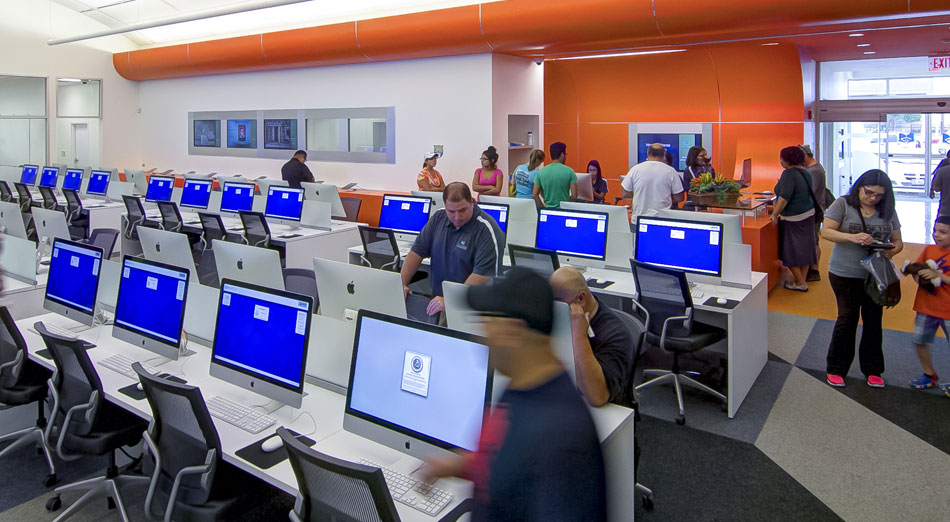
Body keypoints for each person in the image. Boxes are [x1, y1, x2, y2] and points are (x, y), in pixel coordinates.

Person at [423, 268, 607, 521]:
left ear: (514, 331)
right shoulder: (519, 387)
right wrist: (454, 466)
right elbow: (505, 458)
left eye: (489, 323)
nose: (483, 338)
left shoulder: (562, 439)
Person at [821, 169, 903, 388]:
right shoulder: (843, 204)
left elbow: (898, 240)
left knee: (873, 320)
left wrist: (891, 251)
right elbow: (826, 231)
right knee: (847, 318)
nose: (873, 198)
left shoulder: (887, 210)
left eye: (878, 195)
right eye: (869, 193)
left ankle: (873, 369)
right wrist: (852, 237)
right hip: (844, 272)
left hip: (876, 274)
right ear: (859, 187)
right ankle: (836, 367)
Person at [400, 182, 505, 317]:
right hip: (440, 301)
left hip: (471, 308)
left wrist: (452, 300)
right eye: (451, 211)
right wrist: (401, 284)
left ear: (472, 202)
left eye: (462, 210)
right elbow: (416, 252)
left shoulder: (487, 230)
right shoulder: (439, 218)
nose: (457, 217)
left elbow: (482, 276)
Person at [549, 267, 633, 406]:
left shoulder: (617, 335)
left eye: (558, 301)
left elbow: (597, 396)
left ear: (581, 298)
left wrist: (579, 335)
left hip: (607, 411)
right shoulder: (561, 315)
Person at [906, 215, 950, 396]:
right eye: (935, 231)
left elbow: (939, 276)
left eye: (943, 232)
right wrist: (916, 275)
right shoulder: (929, 249)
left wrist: (938, 276)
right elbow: (918, 268)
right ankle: (929, 374)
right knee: (919, 340)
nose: (937, 235)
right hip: (926, 306)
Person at [771, 146, 818, 292]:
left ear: (786, 160)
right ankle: (801, 280)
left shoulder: (789, 174)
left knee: (790, 251)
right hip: (808, 215)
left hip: (793, 218)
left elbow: (784, 198)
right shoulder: (806, 172)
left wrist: (774, 213)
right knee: (804, 249)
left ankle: (801, 282)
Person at [621, 143, 684, 220]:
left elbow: (625, 193)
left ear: (647, 154)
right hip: (662, 219)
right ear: (664, 155)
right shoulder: (670, 171)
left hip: (639, 218)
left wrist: (640, 196)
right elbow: (679, 198)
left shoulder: (635, 169)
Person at [800, 144, 828, 282]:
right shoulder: (814, 168)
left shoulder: (813, 171)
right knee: (813, 240)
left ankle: (814, 270)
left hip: (813, 212)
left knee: (813, 241)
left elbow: (808, 192)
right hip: (815, 210)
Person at [533, 142, 577, 208]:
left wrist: (542, 208)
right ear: (562, 155)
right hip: (563, 210)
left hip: (548, 211)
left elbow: (535, 194)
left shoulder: (541, 172)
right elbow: (574, 195)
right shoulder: (570, 171)